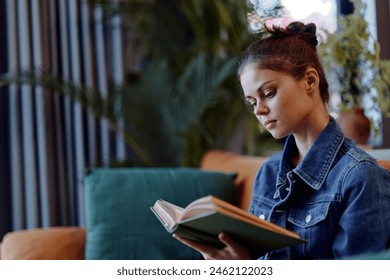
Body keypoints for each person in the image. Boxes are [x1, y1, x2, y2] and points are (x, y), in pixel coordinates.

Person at [174, 21, 390, 260]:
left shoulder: (361, 178)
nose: (259, 110)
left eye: (268, 93)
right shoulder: (268, 173)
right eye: (253, 102)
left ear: (310, 80)